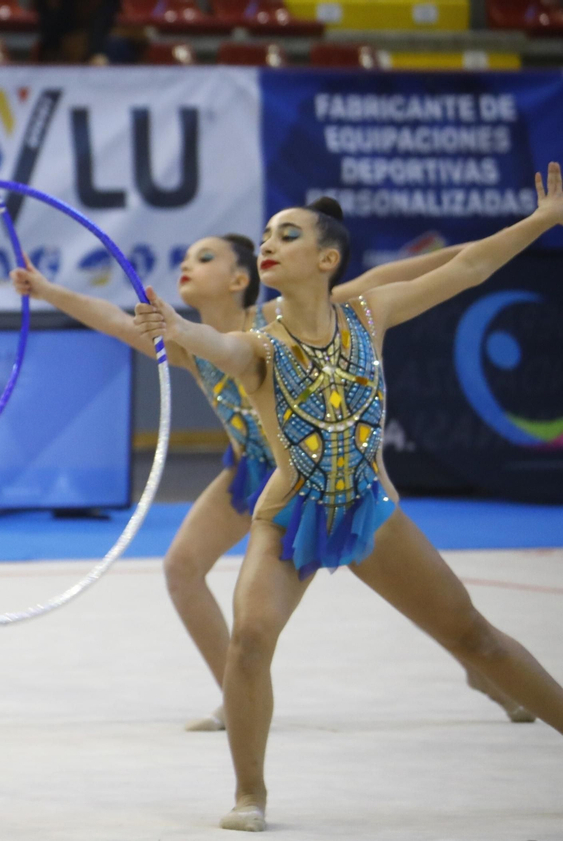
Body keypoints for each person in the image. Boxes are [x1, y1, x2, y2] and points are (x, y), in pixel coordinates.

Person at [133, 164, 563, 832]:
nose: (269, 243)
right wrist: (178, 329)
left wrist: (540, 221)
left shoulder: (369, 311)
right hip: (288, 517)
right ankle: (250, 794)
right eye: (266, 235)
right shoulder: (260, 345)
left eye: (288, 235)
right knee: (249, 637)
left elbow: (470, 266)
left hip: (367, 508)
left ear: (326, 258)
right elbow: (213, 343)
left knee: (475, 636)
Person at [13, 234, 531, 730]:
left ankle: (480, 666)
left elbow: (387, 277)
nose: (187, 266)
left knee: (411, 587)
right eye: (187, 258)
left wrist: (492, 241)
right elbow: (111, 319)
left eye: (205, 257)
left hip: (331, 471)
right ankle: (236, 693)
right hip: (255, 477)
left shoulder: (283, 320)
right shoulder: (191, 341)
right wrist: (47, 290)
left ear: (240, 278)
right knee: (182, 566)